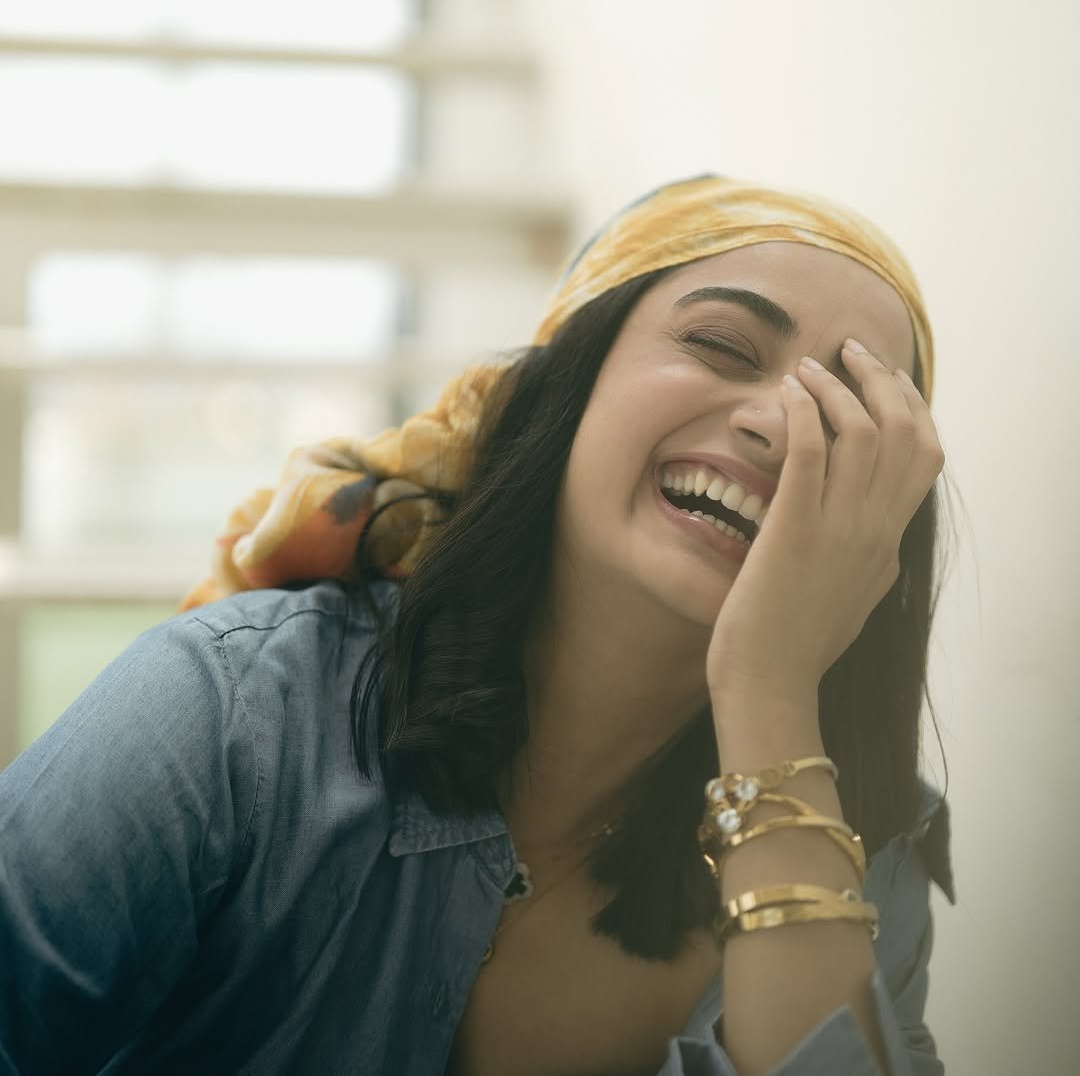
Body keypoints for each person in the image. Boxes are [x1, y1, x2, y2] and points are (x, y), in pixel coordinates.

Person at [0, 174, 955, 1075]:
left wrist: (770, 689)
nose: (782, 428)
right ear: (565, 386)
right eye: (722, 346)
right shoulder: (231, 710)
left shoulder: (864, 846)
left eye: (845, 418)